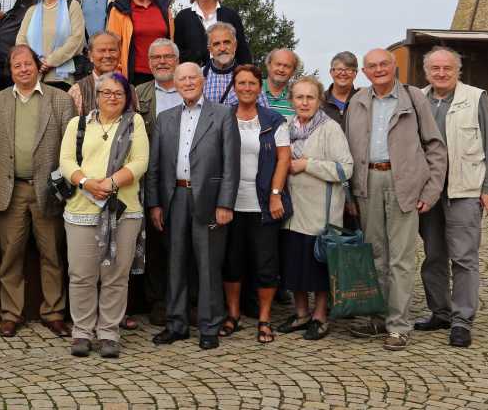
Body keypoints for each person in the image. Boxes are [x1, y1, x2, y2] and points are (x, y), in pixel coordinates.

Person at [344, 48, 446, 351]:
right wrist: (351, 192)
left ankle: (399, 325)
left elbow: (435, 147)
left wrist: (431, 191)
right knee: (375, 255)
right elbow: (347, 150)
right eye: (372, 66)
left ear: (394, 67)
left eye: (384, 64)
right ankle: (377, 316)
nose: (379, 70)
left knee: (400, 258)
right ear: (365, 72)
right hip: (367, 183)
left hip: (403, 183)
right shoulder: (358, 101)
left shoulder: (413, 99)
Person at [0, 45, 76, 338]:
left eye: (28, 64)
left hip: (48, 190)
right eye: (17, 65)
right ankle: (11, 314)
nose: (23, 69)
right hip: (11, 190)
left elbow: (71, 148)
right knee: (11, 255)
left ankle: (54, 313)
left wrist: (67, 189)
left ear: (38, 66)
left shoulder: (60, 100)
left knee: (52, 254)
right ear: (10, 71)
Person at [147, 62, 239, 350]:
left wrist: (225, 203)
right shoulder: (165, 118)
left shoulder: (223, 114)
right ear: (175, 84)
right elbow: (154, 166)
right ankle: (176, 324)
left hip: (209, 200)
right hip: (174, 198)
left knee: (208, 264)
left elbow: (231, 164)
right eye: (182, 79)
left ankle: (209, 326)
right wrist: (155, 204)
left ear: (202, 81)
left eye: (192, 78)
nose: (187, 83)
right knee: (175, 263)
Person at [416, 47, 488, 348]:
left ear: (458, 71)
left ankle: (462, 320)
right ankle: (440, 312)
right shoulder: (418, 99)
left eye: (447, 68)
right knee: (433, 256)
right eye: (435, 68)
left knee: (464, 258)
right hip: (429, 192)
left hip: (464, 191)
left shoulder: (476, 98)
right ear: (427, 72)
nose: (441, 73)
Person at [59, 72, 149, 358]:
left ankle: (109, 332)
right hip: (81, 209)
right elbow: (66, 162)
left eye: (118, 93)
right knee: (81, 275)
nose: (112, 97)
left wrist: (109, 184)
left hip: (123, 210)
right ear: (96, 96)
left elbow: (140, 162)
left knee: (115, 276)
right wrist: (87, 183)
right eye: (106, 92)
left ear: (127, 98)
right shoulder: (78, 124)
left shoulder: (134, 123)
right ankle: (82, 332)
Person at [275, 77, 352, 341]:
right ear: (291, 100)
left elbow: (345, 169)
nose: (305, 102)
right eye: (299, 97)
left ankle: (320, 317)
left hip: (321, 213)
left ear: (319, 100)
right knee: (294, 266)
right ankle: (301, 314)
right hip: (292, 212)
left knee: (318, 268)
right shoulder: (286, 127)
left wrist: (307, 164)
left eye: (310, 97)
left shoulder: (330, 129)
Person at [219, 64, 291, 344]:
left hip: (263, 204)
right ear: (234, 87)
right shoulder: (223, 116)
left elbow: (283, 159)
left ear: (259, 88)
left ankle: (264, 318)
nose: (246, 88)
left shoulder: (274, 120)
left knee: (266, 264)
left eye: (252, 83)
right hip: (230, 203)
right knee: (232, 262)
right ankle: (233, 315)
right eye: (241, 83)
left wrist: (275, 194)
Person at [133, 38, 182, 325]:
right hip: (151, 178)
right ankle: (159, 302)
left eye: (167, 57)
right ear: (149, 63)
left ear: (177, 60)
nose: (162, 62)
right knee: (156, 243)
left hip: (186, 178)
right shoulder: (138, 94)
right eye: (156, 58)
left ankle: (186, 300)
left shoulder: (190, 88)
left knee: (186, 243)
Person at [14, 0, 85, 90]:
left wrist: (51, 61)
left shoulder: (72, 6)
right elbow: (21, 41)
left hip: (62, 79)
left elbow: (77, 40)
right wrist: (36, 62)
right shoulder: (31, 11)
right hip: (34, 77)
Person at [105, 0, 174, 85]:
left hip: (162, 74)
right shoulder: (119, 9)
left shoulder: (164, 8)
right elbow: (112, 46)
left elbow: (172, 42)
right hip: (133, 76)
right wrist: (117, 76)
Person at [173, 0, 251, 66]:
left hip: (227, 73)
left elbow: (242, 51)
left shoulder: (231, 16)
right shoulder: (182, 17)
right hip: (193, 74)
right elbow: (177, 51)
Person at [201, 22, 268, 107]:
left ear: (235, 46)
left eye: (227, 42)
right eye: (216, 44)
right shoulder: (198, 76)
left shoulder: (251, 77)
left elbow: (265, 113)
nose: (222, 48)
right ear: (210, 49)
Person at [67, 31, 133, 115]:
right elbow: (72, 122)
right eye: (101, 51)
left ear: (120, 55)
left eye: (112, 50)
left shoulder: (130, 89)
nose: (107, 55)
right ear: (90, 56)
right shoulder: (78, 90)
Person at [262, 49, 299, 120]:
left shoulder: (297, 98)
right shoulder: (251, 89)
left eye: (287, 66)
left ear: (293, 72)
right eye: (278, 64)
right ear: (268, 65)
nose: (281, 69)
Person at [323, 51, 359, 123]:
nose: (343, 73)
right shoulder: (319, 101)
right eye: (339, 69)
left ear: (355, 73)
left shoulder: (362, 100)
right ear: (331, 72)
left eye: (348, 69)